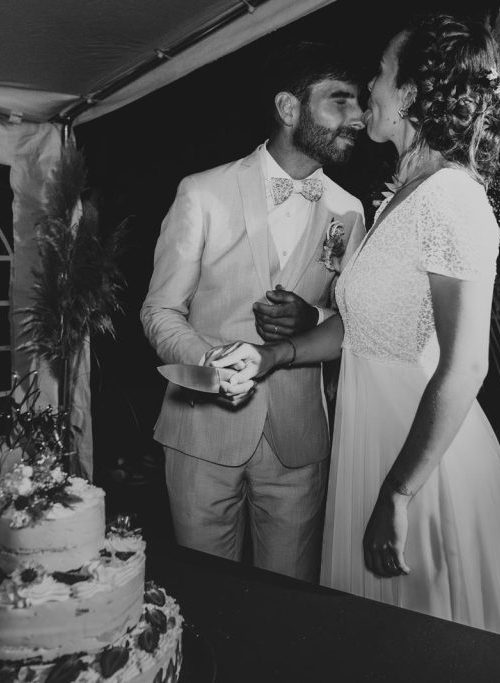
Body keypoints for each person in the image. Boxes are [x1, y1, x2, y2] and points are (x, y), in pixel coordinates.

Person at [207, 14, 500, 644]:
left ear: (413, 92)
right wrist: (274, 354)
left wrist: (397, 494)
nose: (371, 88)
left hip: (421, 467)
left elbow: (466, 365)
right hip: (372, 444)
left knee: (421, 644)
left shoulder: (454, 199)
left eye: (382, 74)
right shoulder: (399, 196)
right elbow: (362, 329)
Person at [140, 42, 367, 582]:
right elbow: (160, 310)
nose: (358, 117)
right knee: (207, 593)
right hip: (201, 431)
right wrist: (210, 360)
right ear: (290, 109)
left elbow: (350, 317)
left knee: (287, 603)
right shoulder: (202, 192)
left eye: (359, 104)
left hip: (299, 440)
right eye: (341, 102)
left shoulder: (349, 211)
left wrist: (309, 317)